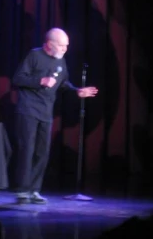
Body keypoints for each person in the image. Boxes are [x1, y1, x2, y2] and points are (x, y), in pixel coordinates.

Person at [10, 28, 98, 203]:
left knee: (42, 152)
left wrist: (77, 91)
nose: (65, 48)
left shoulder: (61, 61)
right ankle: (22, 191)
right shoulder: (34, 56)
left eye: (67, 45)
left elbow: (63, 83)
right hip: (28, 110)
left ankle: (34, 190)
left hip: (45, 112)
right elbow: (18, 78)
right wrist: (39, 81)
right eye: (61, 45)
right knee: (27, 149)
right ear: (50, 44)